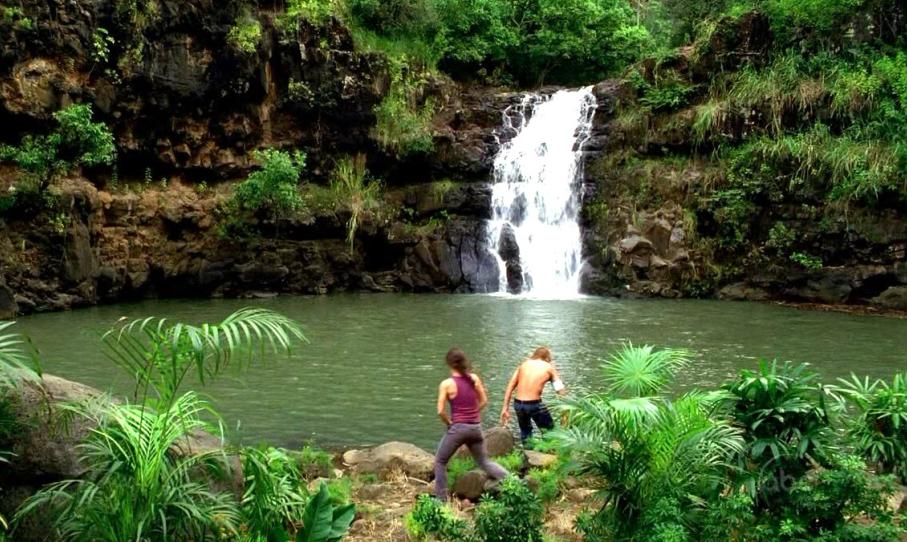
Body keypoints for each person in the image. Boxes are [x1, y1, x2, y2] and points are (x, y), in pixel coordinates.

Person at [433, 347, 508, 501]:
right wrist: (474, 413)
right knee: (484, 461)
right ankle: (513, 482)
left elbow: (440, 411)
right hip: (475, 427)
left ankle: (441, 501)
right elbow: (484, 401)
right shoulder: (474, 378)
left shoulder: (447, 384)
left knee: (440, 461)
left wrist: (449, 423)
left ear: (449, 364)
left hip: (458, 428)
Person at [500, 346, 566, 445]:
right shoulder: (548, 367)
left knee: (525, 432)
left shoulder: (523, 365)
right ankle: (550, 456)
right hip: (534, 405)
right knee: (550, 433)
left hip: (518, 404)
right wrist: (566, 410)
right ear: (547, 357)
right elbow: (560, 390)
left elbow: (510, 386)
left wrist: (505, 408)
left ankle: (527, 455)